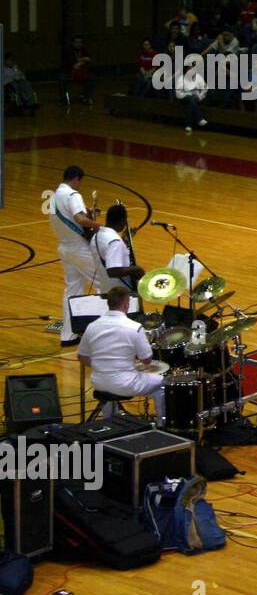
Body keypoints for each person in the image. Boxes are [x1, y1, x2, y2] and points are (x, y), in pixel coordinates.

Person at [77, 287, 166, 421]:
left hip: (98, 382)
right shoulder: (134, 327)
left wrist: (102, 366)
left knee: (111, 383)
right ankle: (162, 423)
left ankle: (109, 420)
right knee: (163, 383)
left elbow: (82, 356)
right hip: (125, 384)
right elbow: (147, 360)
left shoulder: (92, 326)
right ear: (126, 303)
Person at [51, 165, 101, 345]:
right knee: (104, 284)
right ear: (76, 179)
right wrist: (97, 226)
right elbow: (79, 219)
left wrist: (90, 215)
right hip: (79, 248)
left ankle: (68, 335)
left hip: (64, 248)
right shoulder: (73, 195)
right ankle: (102, 333)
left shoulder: (54, 197)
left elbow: (70, 219)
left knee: (73, 290)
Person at [91, 204, 145, 293]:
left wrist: (124, 240)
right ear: (122, 221)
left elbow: (108, 254)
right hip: (120, 292)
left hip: (105, 288)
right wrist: (135, 269)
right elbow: (113, 271)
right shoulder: (115, 242)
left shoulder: (97, 236)